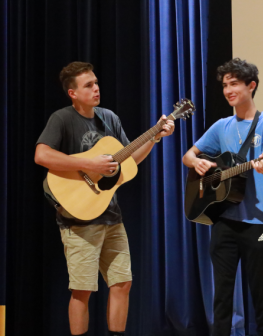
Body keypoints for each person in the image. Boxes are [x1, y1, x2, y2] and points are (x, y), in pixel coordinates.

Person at [34, 61, 175, 336]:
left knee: (122, 282)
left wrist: (155, 136)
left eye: (96, 83)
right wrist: (90, 164)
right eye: (89, 85)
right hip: (78, 216)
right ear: (72, 93)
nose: (96, 88)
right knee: (82, 289)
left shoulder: (109, 118)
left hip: (111, 214)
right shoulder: (62, 119)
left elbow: (129, 160)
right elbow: (41, 155)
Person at [182, 58, 263, 336]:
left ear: (252, 86)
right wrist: (197, 163)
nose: (228, 90)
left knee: (262, 296)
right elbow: (188, 155)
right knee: (222, 296)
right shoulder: (221, 126)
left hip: (259, 221)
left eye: (234, 83)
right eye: (225, 85)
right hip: (224, 220)